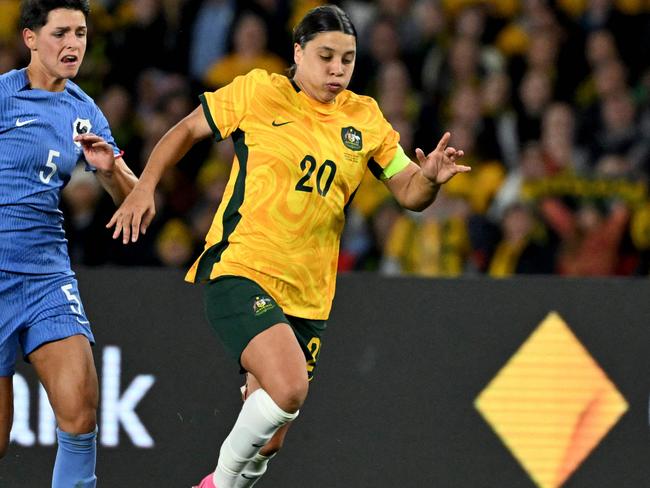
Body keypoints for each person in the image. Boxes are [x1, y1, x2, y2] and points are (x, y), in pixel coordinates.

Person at [108, 5, 469, 487]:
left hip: (308, 296)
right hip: (242, 267)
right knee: (290, 388)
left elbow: (409, 192)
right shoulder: (260, 91)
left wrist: (429, 180)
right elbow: (187, 129)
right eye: (325, 56)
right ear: (298, 53)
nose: (337, 69)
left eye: (347, 59)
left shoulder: (365, 118)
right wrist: (144, 186)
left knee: (270, 437)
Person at [0, 0, 137, 486]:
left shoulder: (84, 110)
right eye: (60, 33)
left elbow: (136, 200)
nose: (73, 43)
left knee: (80, 413)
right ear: (31, 39)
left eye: (80, 32)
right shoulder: (2, 96)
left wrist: (111, 170)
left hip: (45, 278)